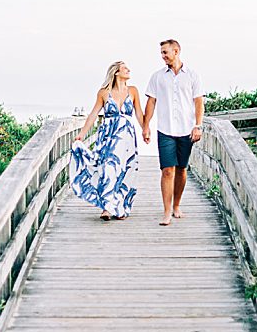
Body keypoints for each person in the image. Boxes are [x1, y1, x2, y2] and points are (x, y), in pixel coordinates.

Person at [69, 61, 143, 220]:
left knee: (125, 170)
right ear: (116, 72)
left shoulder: (133, 91)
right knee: (107, 169)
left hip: (128, 138)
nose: (129, 70)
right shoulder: (103, 93)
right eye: (125, 68)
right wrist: (82, 134)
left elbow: (139, 114)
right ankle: (106, 208)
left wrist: (146, 130)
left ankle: (120, 206)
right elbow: (93, 114)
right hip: (109, 137)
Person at [141, 39, 204, 226]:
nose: (162, 56)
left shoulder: (193, 76)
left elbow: (198, 102)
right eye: (161, 52)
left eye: (165, 52)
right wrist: (146, 126)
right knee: (167, 170)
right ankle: (167, 211)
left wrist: (198, 125)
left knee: (182, 169)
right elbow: (151, 102)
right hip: (165, 130)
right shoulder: (157, 77)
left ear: (176, 51)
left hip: (186, 130)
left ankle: (177, 205)